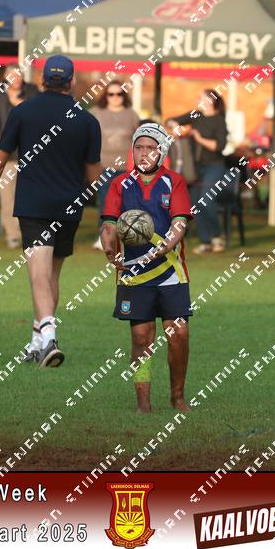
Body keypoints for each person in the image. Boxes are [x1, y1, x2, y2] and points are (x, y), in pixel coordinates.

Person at [0, 55, 102, 367]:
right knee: (51, 275)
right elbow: (95, 177)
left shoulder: (22, 111)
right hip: (69, 205)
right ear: (71, 82)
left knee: (39, 274)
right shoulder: (87, 120)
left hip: (34, 204)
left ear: (42, 81)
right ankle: (36, 342)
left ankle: (50, 338)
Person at [100, 123, 192, 413]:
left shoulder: (174, 181)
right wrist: (108, 247)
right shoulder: (120, 184)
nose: (144, 153)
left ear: (161, 151)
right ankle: (143, 404)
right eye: (139, 147)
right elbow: (109, 223)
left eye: (151, 148)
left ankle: (178, 397)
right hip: (133, 274)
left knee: (178, 334)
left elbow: (180, 222)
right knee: (141, 337)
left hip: (171, 273)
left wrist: (165, 245)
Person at [0, 64, 39, 248]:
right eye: (12, 75)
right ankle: (12, 235)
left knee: (29, 197)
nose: (16, 78)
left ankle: (29, 233)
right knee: (7, 197)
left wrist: (18, 103)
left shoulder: (32, 92)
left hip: (30, 154)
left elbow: (38, 115)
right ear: (5, 77)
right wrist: (1, 146)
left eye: (19, 75)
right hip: (7, 156)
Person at [167, 90, 228, 254]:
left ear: (210, 100)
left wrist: (199, 138)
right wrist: (176, 127)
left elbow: (219, 146)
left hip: (214, 166)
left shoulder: (219, 120)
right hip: (194, 167)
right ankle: (205, 241)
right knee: (195, 204)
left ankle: (217, 236)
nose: (198, 99)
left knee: (206, 200)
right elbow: (170, 120)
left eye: (201, 97)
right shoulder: (196, 115)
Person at [90, 80, 140, 251]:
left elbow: (139, 139)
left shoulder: (131, 114)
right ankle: (104, 237)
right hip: (103, 165)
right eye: (111, 94)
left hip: (126, 167)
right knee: (106, 202)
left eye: (119, 94)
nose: (115, 97)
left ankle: (126, 237)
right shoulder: (96, 113)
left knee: (126, 203)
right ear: (106, 96)